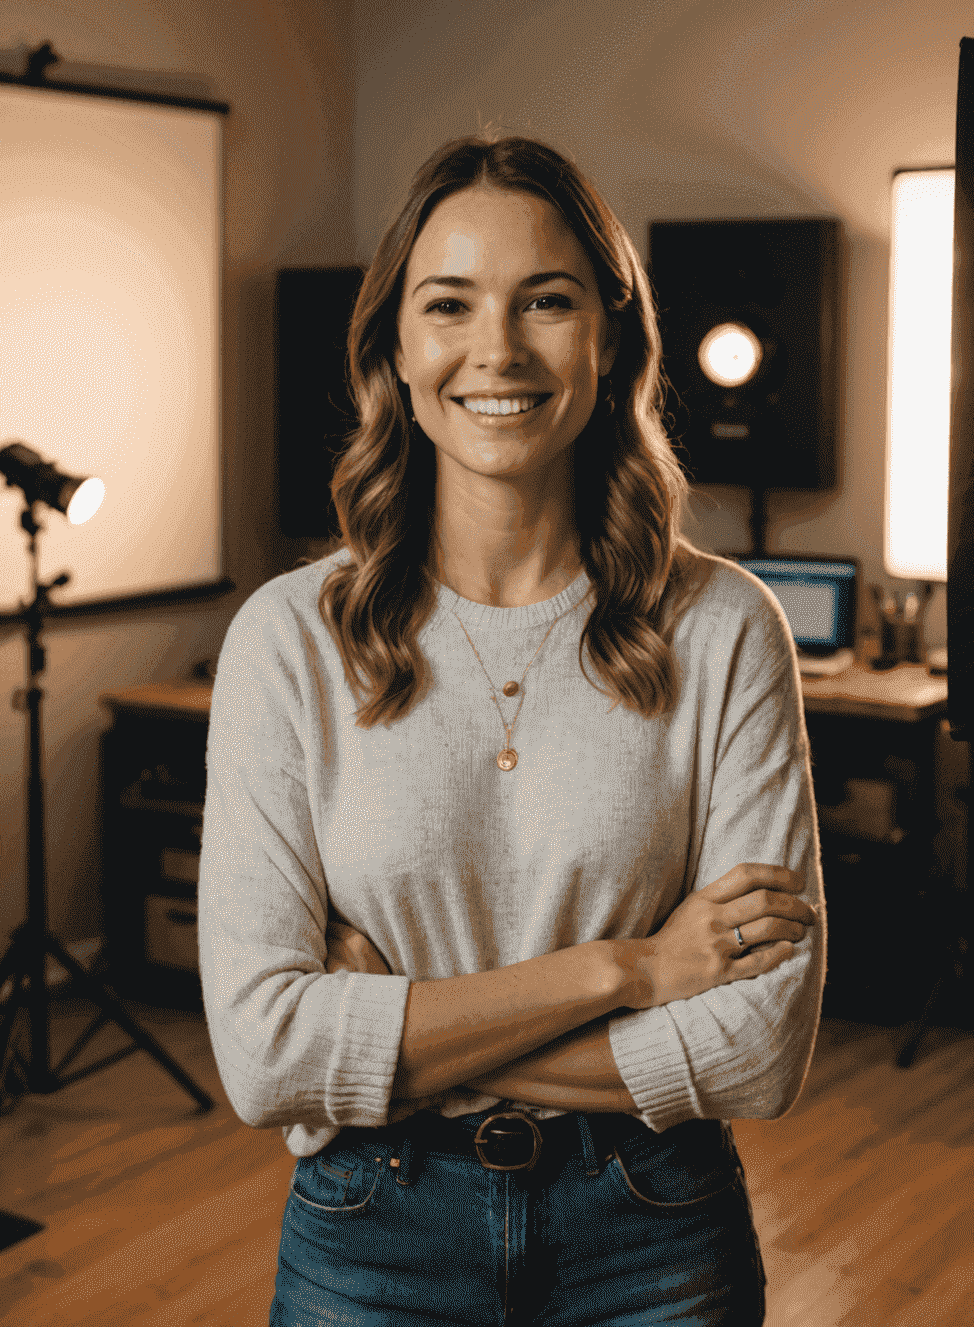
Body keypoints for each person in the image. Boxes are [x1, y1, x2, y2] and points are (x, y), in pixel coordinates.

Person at [199, 133, 826, 1326]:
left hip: (656, 1232)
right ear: (395, 344)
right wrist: (630, 970)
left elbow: (757, 1052)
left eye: (546, 300)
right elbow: (266, 1056)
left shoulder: (726, 628)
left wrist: (392, 1034)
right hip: (368, 1233)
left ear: (611, 339)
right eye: (450, 304)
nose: (497, 350)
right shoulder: (288, 639)